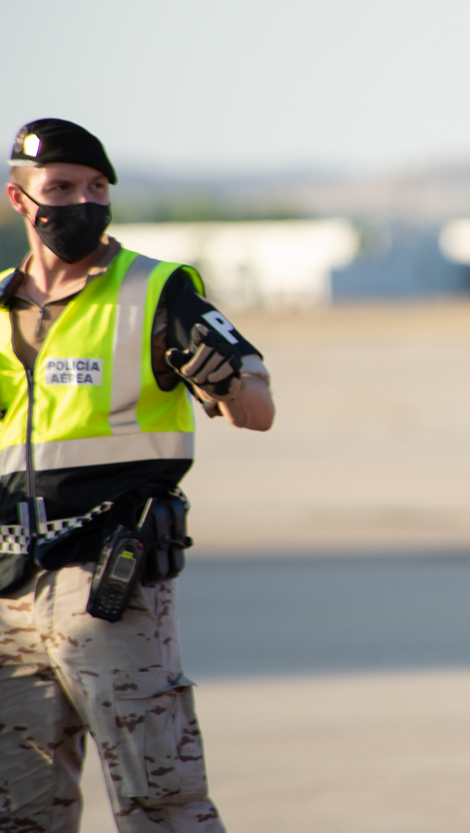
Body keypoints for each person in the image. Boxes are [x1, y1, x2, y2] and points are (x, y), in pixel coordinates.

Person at [0, 119, 274, 833]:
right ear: (20, 201)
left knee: (161, 800)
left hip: (106, 582)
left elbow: (257, 408)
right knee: (19, 811)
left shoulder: (156, 291)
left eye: (96, 189)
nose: (81, 203)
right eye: (60, 188)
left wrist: (222, 385)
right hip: (6, 589)